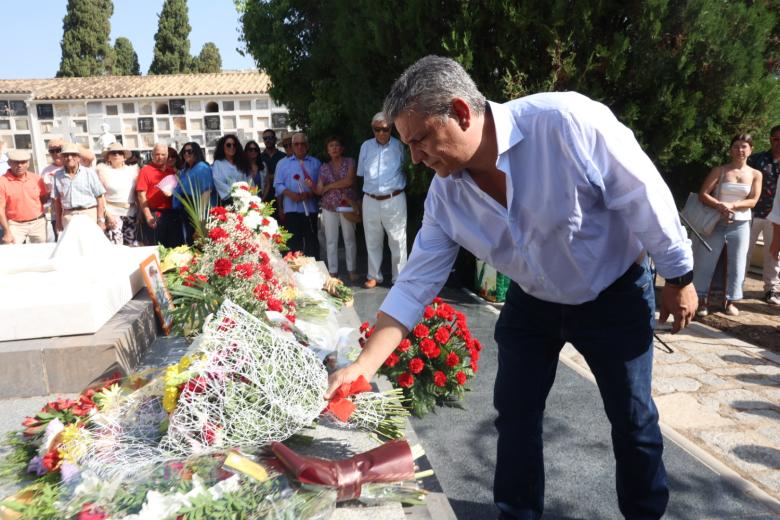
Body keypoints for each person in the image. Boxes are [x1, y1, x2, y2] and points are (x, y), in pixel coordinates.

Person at [327, 56, 698, 520]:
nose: (416, 157)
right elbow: (416, 282)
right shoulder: (447, 195)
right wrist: (362, 366)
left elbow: (643, 193)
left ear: (461, 113)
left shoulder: (564, 123)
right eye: (408, 145)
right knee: (516, 416)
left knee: (633, 420)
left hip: (613, 293)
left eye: (419, 140)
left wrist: (678, 275)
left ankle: (645, 512)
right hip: (533, 302)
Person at [692, 134, 762, 317]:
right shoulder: (720, 170)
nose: (740, 150)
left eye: (744, 146)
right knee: (706, 260)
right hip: (716, 221)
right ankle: (701, 301)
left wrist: (733, 206)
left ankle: (730, 301)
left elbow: (753, 201)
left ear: (750, 149)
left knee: (737, 262)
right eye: (736, 146)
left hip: (740, 223)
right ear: (731, 149)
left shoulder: (755, 174)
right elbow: (703, 194)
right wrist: (720, 205)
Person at [357, 112, 408, 288]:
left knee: (397, 239)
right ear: (373, 129)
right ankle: (374, 276)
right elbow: (361, 174)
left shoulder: (400, 146)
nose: (381, 133)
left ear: (391, 128)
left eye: (385, 129)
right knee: (372, 239)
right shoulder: (365, 147)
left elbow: (408, 169)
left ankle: (399, 278)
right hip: (370, 199)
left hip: (394, 198)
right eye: (377, 129)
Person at [312, 136, 358, 279]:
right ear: (327, 150)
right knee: (331, 239)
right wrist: (312, 186)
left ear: (342, 148)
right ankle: (333, 271)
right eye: (331, 146)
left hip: (346, 204)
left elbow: (348, 181)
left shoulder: (350, 162)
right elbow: (320, 190)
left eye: (337, 145)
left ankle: (352, 270)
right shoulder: (324, 167)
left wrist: (328, 186)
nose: (334, 148)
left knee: (349, 238)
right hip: (329, 206)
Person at [746, 125, 780, 305]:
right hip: (753, 212)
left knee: (773, 254)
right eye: (776, 139)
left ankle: (771, 289)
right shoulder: (757, 159)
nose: (779, 143)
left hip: (776, 218)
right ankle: (736, 286)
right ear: (770, 140)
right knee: (744, 251)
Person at [274, 132, 320, 257]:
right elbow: (277, 184)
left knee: (312, 242)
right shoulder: (283, 164)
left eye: (302, 144)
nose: (299, 147)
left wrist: (310, 194)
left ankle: (315, 271)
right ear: (293, 146)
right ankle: (295, 273)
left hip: (310, 209)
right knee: (293, 245)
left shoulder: (316, 163)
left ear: (307, 145)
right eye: (296, 144)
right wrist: (290, 194)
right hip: (291, 209)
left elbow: (320, 186)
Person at [52, 142, 107, 232]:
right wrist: (58, 221)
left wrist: (101, 220)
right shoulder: (58, 175)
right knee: (72, 245)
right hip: (68, 215)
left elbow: (100, 198)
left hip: (88, 213)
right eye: (66, 155)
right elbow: (57, 201)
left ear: (78, 157)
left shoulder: (89, 173)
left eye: (73, 155)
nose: (69, 158)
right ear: (62, 158)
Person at [136, 143, 182, 247]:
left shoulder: (171, 171)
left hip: (172, 214)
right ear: (152, 155)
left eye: (163, 154)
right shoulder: (145, 170)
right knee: (156, 247)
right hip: (155, 213)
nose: (160, 157)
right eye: (157, 154)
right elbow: (141, 195)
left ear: (167, 156)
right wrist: (148, 216)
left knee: (173, 247)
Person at [0, 149, 48, 244]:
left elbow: (43, 198)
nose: (20, 165)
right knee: (11, 252)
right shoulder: (2, 182)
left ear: (28, 163)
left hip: (38, 223)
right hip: (15, 225)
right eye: (16, 162)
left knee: (42, 253)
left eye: (23, 162)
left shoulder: (36, 178)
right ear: (9, 163)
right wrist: (6, 231)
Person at [96, 142, 139, 245]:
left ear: (124, 157)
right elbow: (100, 196)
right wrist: (107, 215)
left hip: (131, 214)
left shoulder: (133, 171)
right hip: (113, 215)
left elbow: (138, 193)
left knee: (131, 248)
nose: (116, 155)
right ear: (108, 157)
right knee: (116, 248)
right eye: (113, 153)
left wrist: (140, 212)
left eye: (119, 153)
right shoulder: (102, 171)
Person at [174, 141, 215, 244]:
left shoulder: (202, 167)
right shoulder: (185, 170)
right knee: (188, 239)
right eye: (184, 152)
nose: (186, 154)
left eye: (189, 151)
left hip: (197, 209)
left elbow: (207, 191)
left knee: (197, 240)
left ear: (196, 152)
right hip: (185, 210)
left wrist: (200, 216)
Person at [212, 134, 250, 205]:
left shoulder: (242, 163)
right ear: (222, 147)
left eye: (234, 145)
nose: (232, 147)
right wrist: (235, 193)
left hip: (245, 200)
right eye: (228, 145)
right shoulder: (218, 163)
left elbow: (248, 180)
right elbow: (218, 182)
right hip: (228, 201)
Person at [41, 137, 65, 241]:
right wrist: (48, 191)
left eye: (58, 150)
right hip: (56, 212)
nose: (55, 153)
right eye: (52, 151)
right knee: (59, 241)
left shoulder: (74, 165)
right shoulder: (46, 171)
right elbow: (44, 195)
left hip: (74, 211)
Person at [260, 129, 286, 199]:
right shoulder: (259, 158)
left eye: (270, 137)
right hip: (264, 196)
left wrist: (268, 177)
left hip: (282, 195)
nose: (267, 140)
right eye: (265, 138)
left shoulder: (283, 157)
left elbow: (286, 175)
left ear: (275, 139)